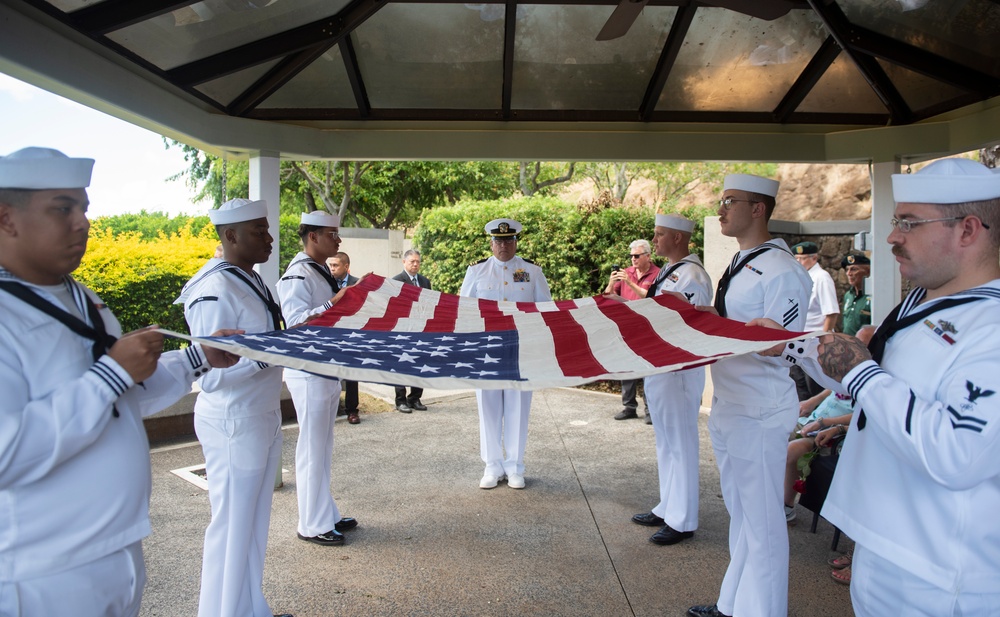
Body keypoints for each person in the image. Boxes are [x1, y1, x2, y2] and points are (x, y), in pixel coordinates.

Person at [0, 147, 238, 617]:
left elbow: (122, 401)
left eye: (83, 208)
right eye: (62, 208)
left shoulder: (80, 296)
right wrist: (112, 372)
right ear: (7, 219)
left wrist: (197, 357)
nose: (81, 222)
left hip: (116, 548)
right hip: (43, 570)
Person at [812, 158, 1000, 616]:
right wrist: (790, 346)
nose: (893, 236)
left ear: (968, 230)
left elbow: (956, 453)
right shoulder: (924, 298)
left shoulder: (991, 326)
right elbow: (866, 386)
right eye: (897, 221)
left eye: (909, 223)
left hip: (940, 574)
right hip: (887, 546)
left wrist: (862, 373)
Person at [687, 174, 811, 617]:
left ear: (758, 209)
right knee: (743, 517)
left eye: (730, 202)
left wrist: (726, 328)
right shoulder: (743, 261)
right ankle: (733, 604)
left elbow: (780, 342)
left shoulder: (782, 271)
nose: (721, 209)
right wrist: (701, 318)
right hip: (731, 403)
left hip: (759, 408)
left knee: (763, 526)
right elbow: (735, 323)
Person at [178, 198, 291, 617]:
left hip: (258, 414)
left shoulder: (250, 278)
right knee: (230, 529)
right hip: (233, 420)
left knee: (252, 527)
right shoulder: (214, 288)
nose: (270, 237)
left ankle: (248, 608)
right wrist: (268, 355)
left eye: (267, 228)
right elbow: (209, 373)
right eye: (259, 231)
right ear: (230, 236)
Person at [276, 211, 358, 547]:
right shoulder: (297, 275)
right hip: (307, 371)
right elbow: (294, 321)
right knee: (311, 447)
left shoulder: (318, 269)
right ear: (313, 237)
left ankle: (326, 512)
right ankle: (311, 523)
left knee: (323, 446)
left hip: (324, 368)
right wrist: (331, 302)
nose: (337, 241)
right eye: (331, 234)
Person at [629, 214, 712, 545]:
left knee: (680, 442)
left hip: (678, 369)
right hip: (660, 365)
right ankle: (668, 506)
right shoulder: (670, 271)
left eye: (661, 234)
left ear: (679, 238)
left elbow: (691, 324)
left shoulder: (692, 275)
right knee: (665, 440)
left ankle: (683, 518)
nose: (656, 239)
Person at [460, 218, 551, 490]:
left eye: (509, 240)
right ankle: (492, 466)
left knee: (518, 408)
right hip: (486, 349)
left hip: (520, 350)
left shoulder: (531, 271)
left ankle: (515, 467)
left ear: (516, 242)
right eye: (499, 241)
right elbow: (464, 310)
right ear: (491, 242)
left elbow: (545, 310)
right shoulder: (477, 271)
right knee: (488, 408)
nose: (503, 245)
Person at [603, 239, 660, 422]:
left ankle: (650, 410)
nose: (633, 259)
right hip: (627, 326)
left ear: (648, 256)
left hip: (648, 327)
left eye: (637, 256)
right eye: (631, 256)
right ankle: (629, 407)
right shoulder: (626, 272)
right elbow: (607, 297)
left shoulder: (657, 273)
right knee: (626, 367)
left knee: (648, 369)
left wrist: (629, 281)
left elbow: (647, 296)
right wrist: (612, 283)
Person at [790, 241, 839, 400]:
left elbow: (831, 313)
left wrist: (824, 341)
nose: (798, 262)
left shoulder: (821, 277)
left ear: (814, 258)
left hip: (815, 343)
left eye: (802, 258)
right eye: (796, 258)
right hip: (799, 341)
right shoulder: (801, 277)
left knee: (815, 388)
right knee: (800, 386)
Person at [392, 249, 431, 412]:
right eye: (412, 261)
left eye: (418, 262)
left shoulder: (425, 281)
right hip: (403, 328)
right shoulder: (396, 281)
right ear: (404, 262)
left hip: (421, 329)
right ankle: (401, 400)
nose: (415, 264)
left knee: (419, 362)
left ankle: (415, 398)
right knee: (402, 363)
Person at [328, 251, 361, 424]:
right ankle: (332, 407)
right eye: (330, 265)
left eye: (335, 265)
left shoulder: (357, 284)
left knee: (352, 374)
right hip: (331, 334)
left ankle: (352, 410)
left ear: (346, 267)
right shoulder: (325, 282)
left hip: (351, 334)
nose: (332, 269)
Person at [839, 253, 871, 336]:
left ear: (867, 271)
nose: (849, 273)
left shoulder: (872, 297)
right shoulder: (848, 295)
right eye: (847, 269)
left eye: (854, 269)